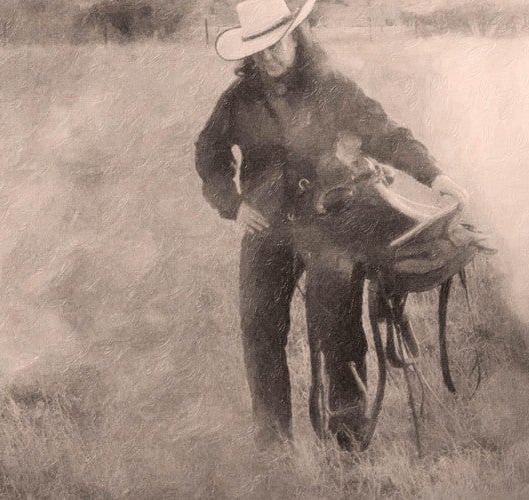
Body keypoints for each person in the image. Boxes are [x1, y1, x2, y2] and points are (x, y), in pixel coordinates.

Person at [195, 0, 469, 450]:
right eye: (258, 48)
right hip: (267, 230)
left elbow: (387, 134)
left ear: (296, 37)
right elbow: (209, 155)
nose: (269, 55)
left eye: (277, 42)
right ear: (248, 51)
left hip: (329, 224)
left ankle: (348, 443)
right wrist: (233, 204)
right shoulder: (238, 101)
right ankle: (273, 445)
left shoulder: (331, 88)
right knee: (260, 332)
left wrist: (437, 176)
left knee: (337, 329)